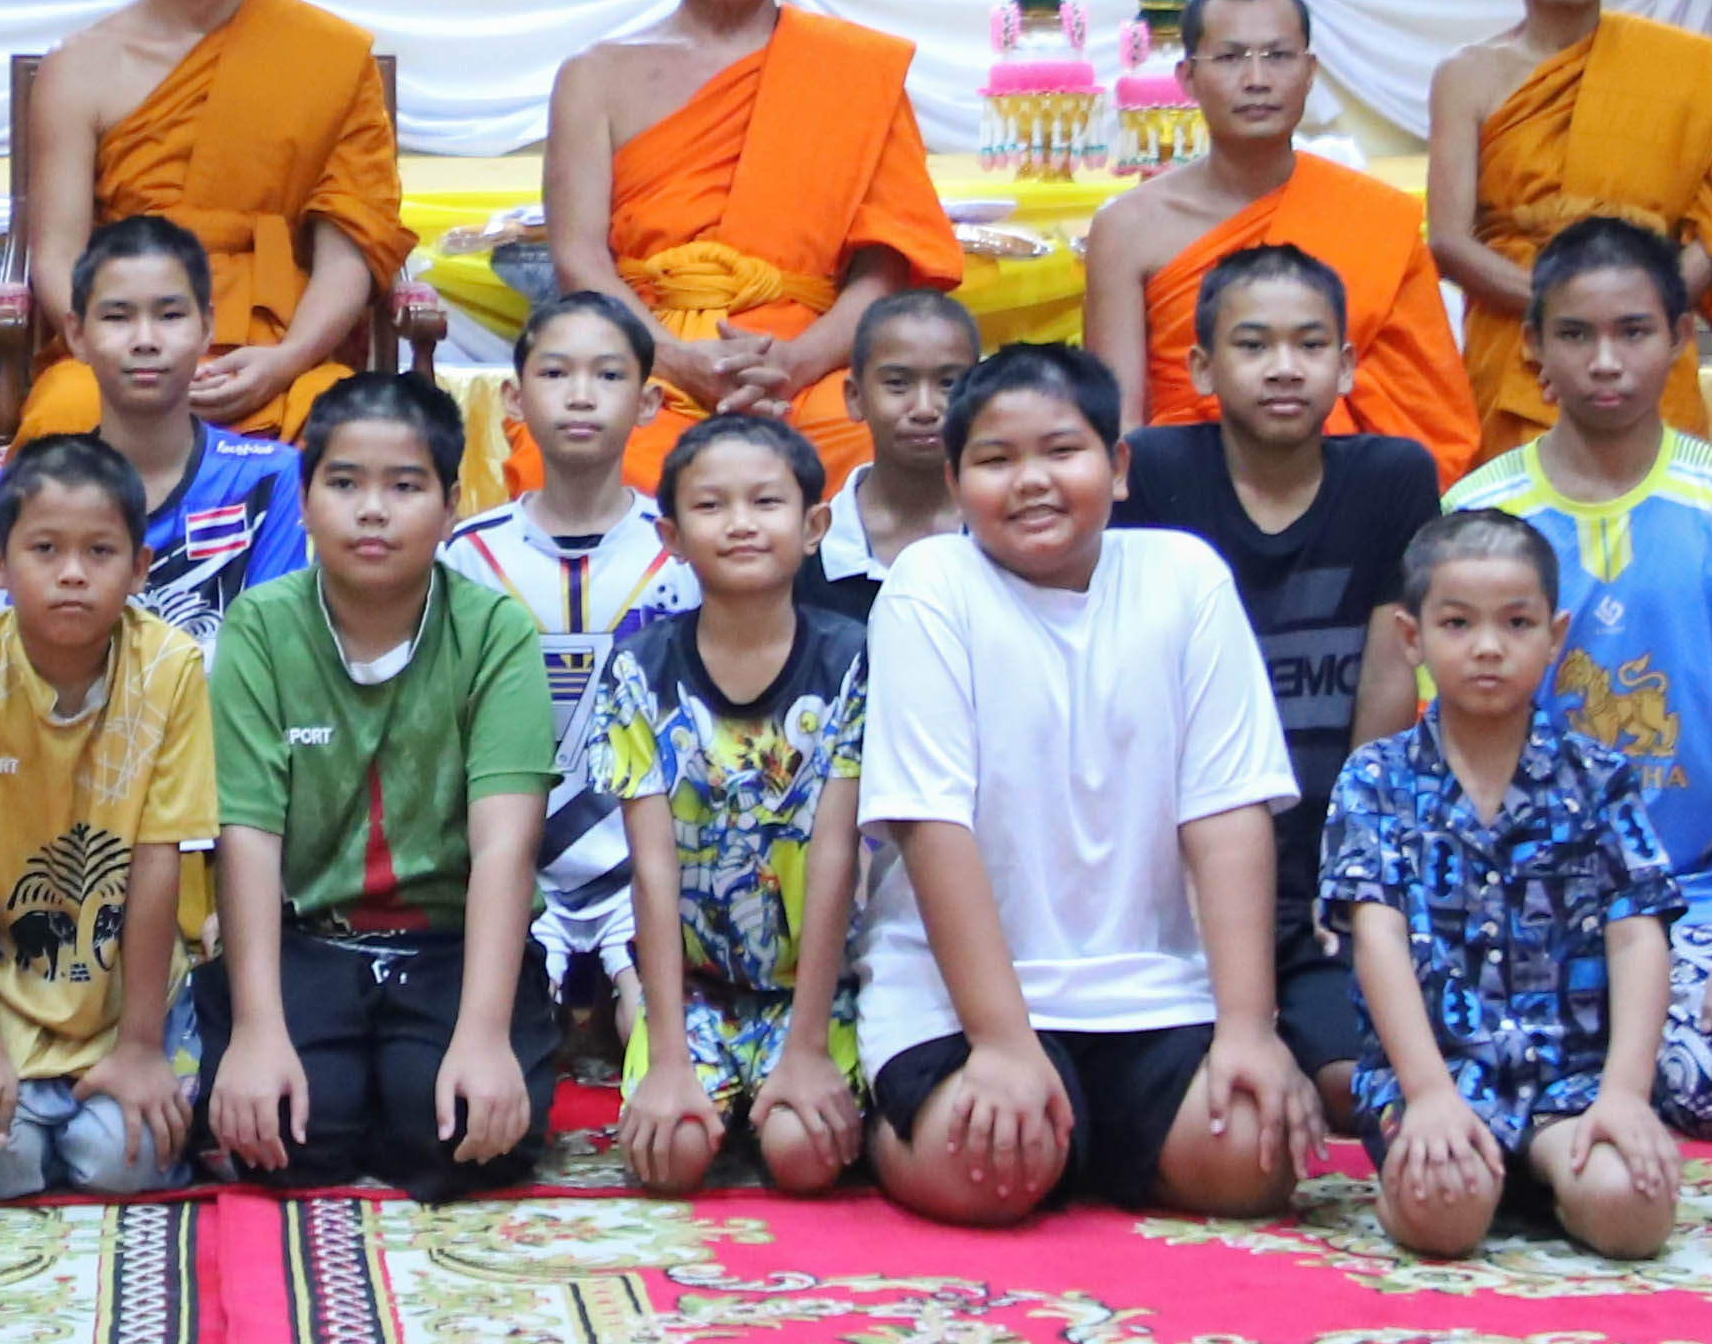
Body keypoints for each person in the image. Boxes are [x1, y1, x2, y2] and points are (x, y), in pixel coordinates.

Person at [855, 342, 1306, 1225]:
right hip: (957, 998)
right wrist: (1000, 1042)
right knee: (986, 1173)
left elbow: (1227, 812)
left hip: (1148, 988)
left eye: (1062, 451)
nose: (1032, 481)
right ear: (954, 483)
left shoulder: (1186, 578)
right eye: (995, 459)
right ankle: (893, 1125)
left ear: (1119, 467)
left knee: (1255, 1160)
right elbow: (931, 827)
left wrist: (1248, 1028)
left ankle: (1096, 1141)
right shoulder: (929, 585)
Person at [1457, 218, 1712, 1143]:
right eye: (1575, 335)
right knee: (1473, 1092)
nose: (1606, 362)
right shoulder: (1480, 513)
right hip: (1527, 890)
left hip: (1696, 886)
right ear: (1534, 347)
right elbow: (1450, 736)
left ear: (1681, 338)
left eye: (1633, 332)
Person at [1117, 244, 1453, 1125]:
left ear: (1346, 365)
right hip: (1173, 879)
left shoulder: (1392, 478)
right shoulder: (1151, 474)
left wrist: (1355, 868)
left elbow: (1388, 691)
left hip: (1319, 873)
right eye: (1254, 345)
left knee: (1350, 1086)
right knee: (1208, 1101)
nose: (1283, 368)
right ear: (1201, 368)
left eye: (1309, 345)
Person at [211, 378, 563, 1200]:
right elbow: (247, 835)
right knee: (286, 1144)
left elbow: (505, 846)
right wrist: (256, 1032)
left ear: (450, 508)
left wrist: (485, 1036)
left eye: (405, 487)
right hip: (310, 940)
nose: (373, 511)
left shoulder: (496, 631)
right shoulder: (260, 626)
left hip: (451, 945)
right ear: (305, 502)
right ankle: (349, 1073)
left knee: (462, 1145)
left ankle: (407, 1072)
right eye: (344, 484)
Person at [538, 0, 969, 485]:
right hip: (647, 355)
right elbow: (579, 259)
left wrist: (797, 362)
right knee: (596, 452)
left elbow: (886, 266)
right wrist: (672, 358)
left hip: (807, 361)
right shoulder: (594, 77)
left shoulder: (853, 71)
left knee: (869, 440)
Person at [1322, 510, 1687, 1263]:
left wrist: (1624, 1092)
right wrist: (1427, 1092)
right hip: (1438, 1075)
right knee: (1445, 1217)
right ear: (1412, 637)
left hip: (1570, 1081)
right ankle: (1430, 1186)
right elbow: (1377, 938)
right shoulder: (1376, 778)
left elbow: (1637, 933)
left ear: (1555, 636)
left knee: (1634, 1215)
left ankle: (1553, 1184)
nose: (1488, 647)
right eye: (1457, 624)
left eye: (1517, 623)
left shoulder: (1599, 776)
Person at [0, 0, 411, 444]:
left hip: (280, 343)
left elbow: (348, 249)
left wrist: (287, 359)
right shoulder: (78, 70)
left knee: (344, 435)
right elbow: (56, 253)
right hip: (123, 346)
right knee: (65, 420)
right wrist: (119, 350)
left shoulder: (329, 56)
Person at [0, 436, 216, 1204]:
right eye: (45, 550)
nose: (73, 573)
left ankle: (118, 1080)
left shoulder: (169, 668)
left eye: (100, 551)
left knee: (124, 1163)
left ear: (139, 568)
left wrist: (141, 1047)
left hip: (121, 1002)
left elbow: (158, 860)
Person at [599, 412, 871, 1197]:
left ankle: (793, 1067)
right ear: (671, 537)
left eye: (766, 502)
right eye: (711, 505)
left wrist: (809, 1048)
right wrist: (669, 1060)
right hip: (692, 988)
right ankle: (644, 1026)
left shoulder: (854, 659)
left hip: (814, 989)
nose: (741, 523)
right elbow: (651, 870)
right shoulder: (639, 668)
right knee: (671, 1158)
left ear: (814, 527)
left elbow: (836, 853)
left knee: (804, 1158)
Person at [1427, 0, 1712, 446]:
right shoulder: (1467, 76)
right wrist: (1565, 322)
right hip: (1521, 340)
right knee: (1522, 504)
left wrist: (1633, 322)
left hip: (1646, 347)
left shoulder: (1687, 68)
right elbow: (1450, 243)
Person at [1080, 0, 1476, 455]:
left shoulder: (1377, 217)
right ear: (1187, 79)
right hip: (1187, 482)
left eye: (1279, 56)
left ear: (1310, 73)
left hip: (1351, 481)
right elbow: (1117, 420)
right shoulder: (1129, 229)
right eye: (1229, 58)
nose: (1257, 80)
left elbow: (1425, 410)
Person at [449, 291, 682, 1029]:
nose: (581, 396)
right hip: (510, 870)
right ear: (513, 399)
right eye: (555, 373)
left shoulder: (681, 551)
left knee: (656, 1043)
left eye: (609, 376)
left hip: (649, 868)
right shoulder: (468, 557)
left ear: (649, 403)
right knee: (498, 1050)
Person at [0, 214, 307, 643]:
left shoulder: (271, 481)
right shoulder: (16, 492)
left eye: (170, 315)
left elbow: (274, 657)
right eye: (117, 317)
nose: (145, 340)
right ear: (76, 335)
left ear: (207, 328)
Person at [826, 287, 981, 593]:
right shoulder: (811, 548)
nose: (924, 409)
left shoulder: (1011, 542)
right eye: (898, 383)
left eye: (948, 384)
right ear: (855, 397)